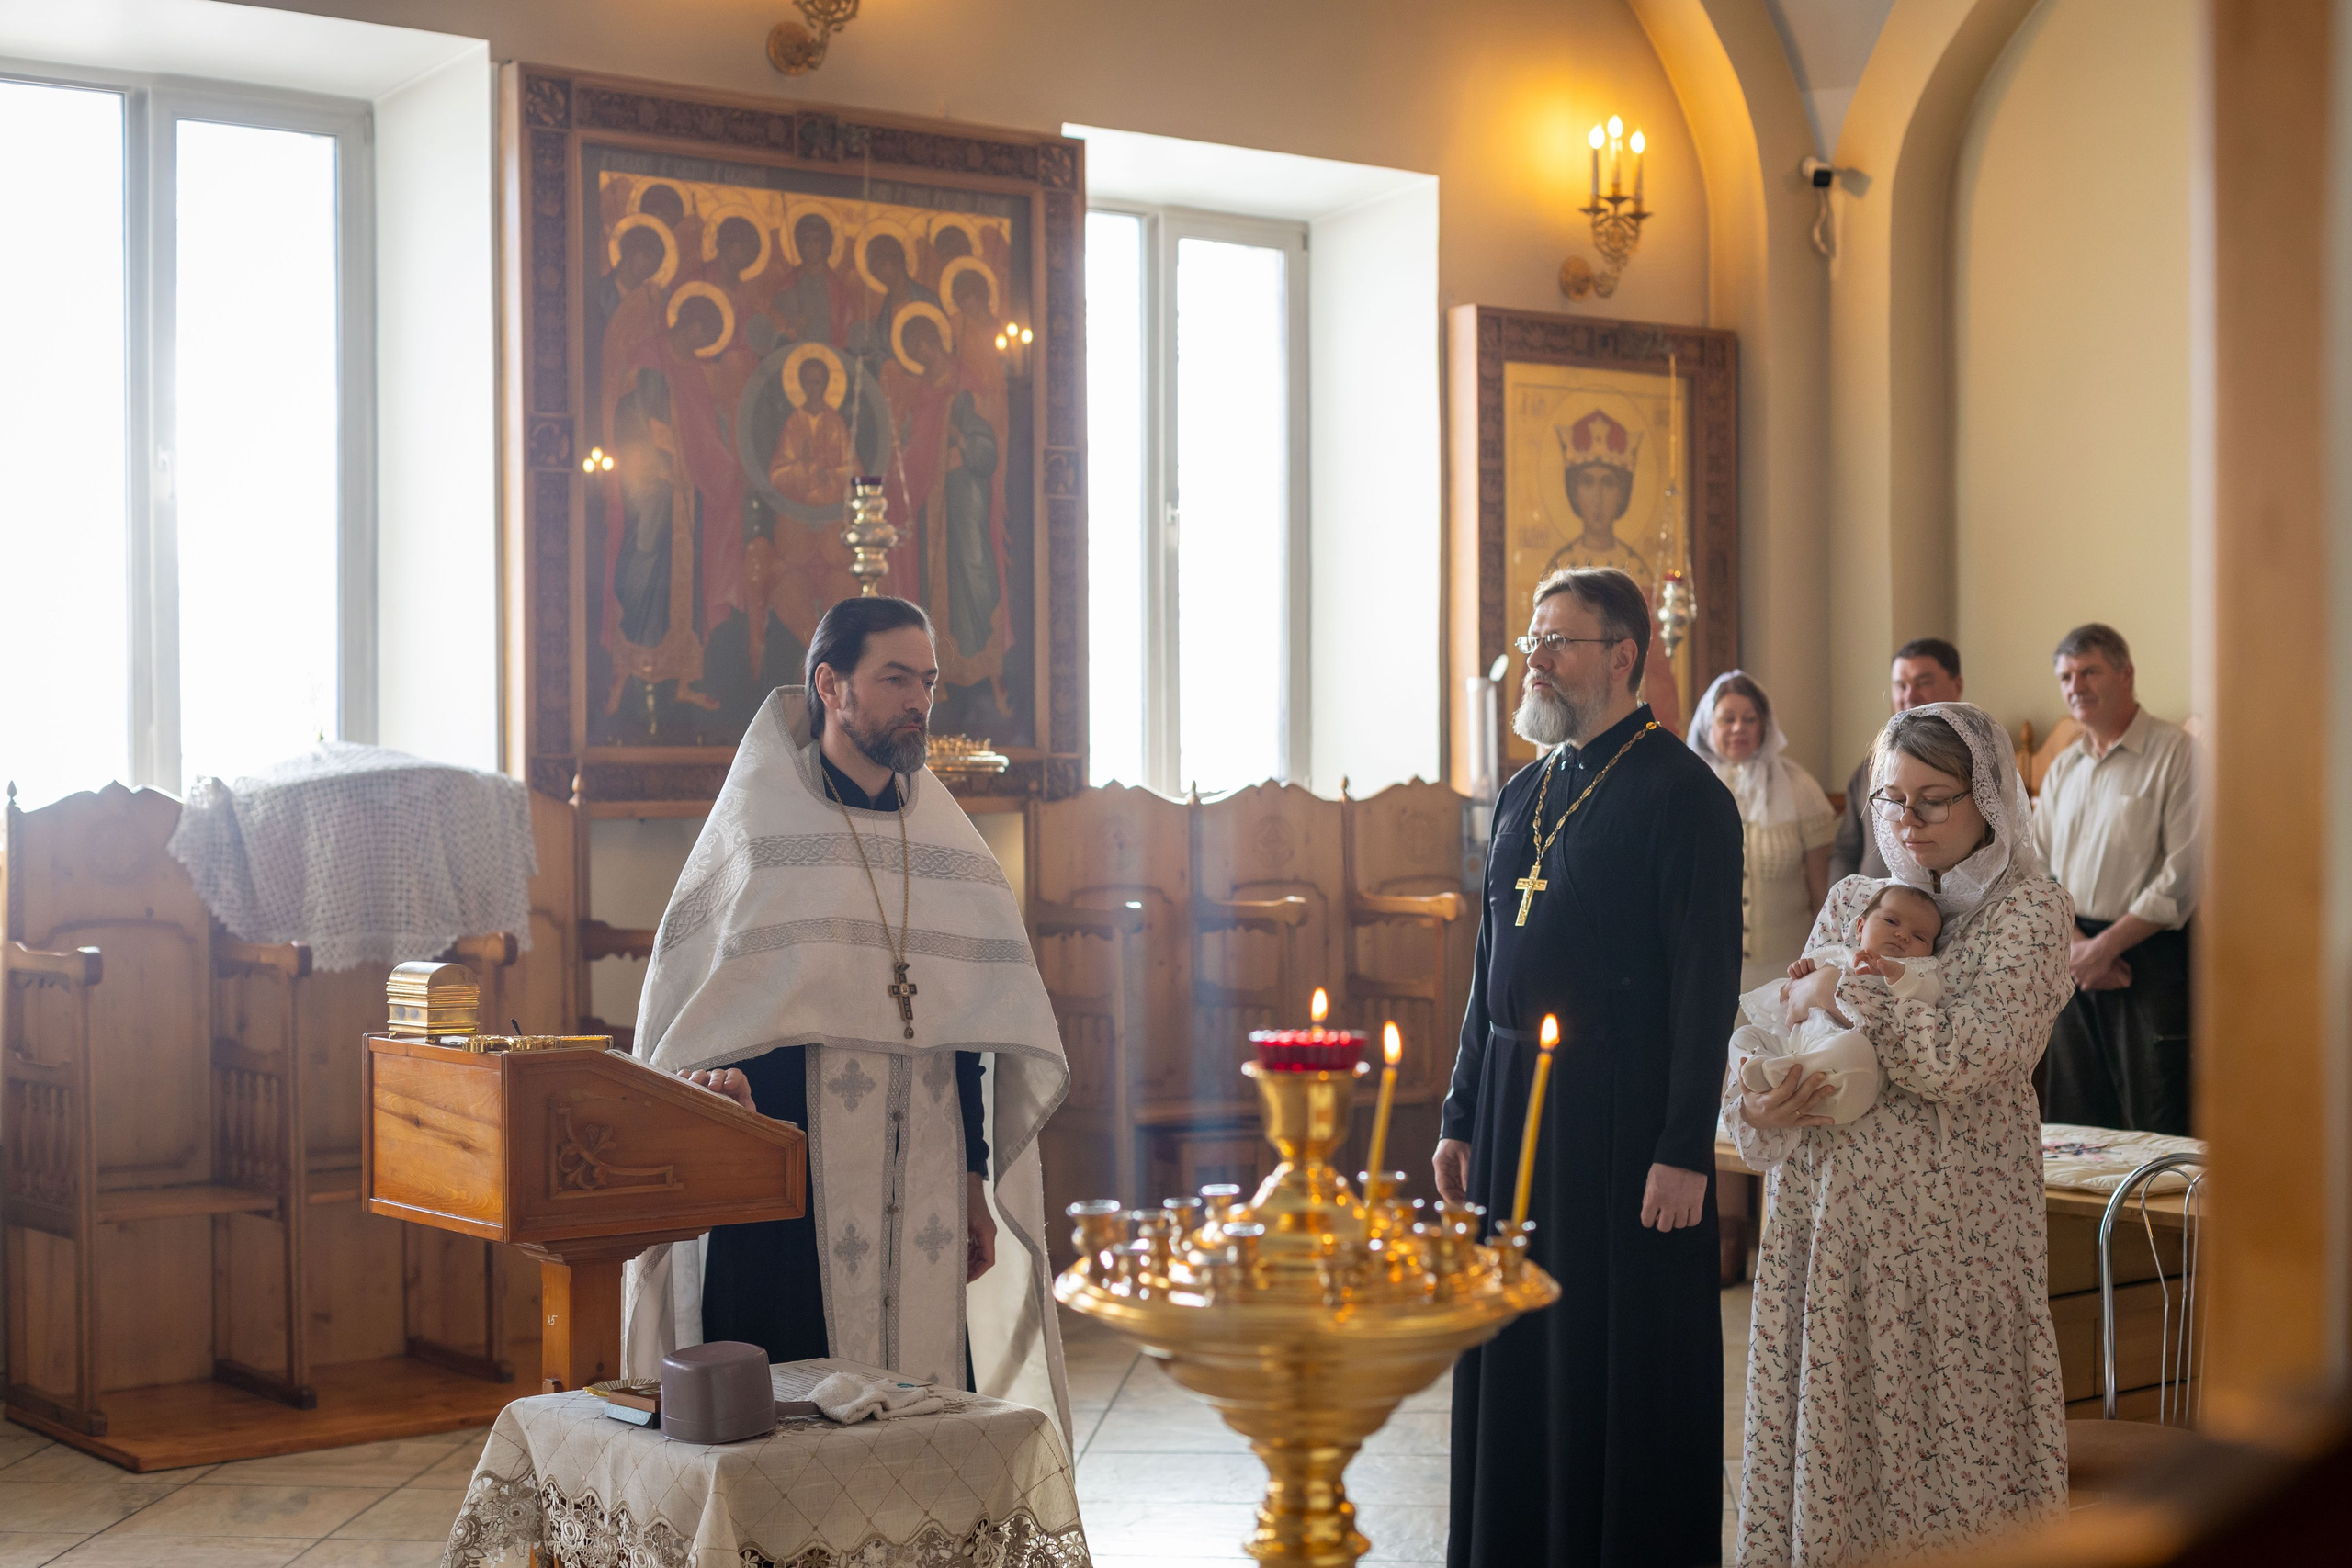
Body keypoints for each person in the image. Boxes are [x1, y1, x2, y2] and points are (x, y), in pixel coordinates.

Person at [620, 596, 1074, 1436]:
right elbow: (699, 1016)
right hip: (784, 1183)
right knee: (786, 1433)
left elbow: (964, 1025)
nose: (919, 701)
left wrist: (974, 1178)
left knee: (925, 1415)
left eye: (929, 682)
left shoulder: (946, 843)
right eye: (895, 677)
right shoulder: (761, 831)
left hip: (926, 1176)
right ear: (831, 685)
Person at [1435, 567, 1742, 1568]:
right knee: (1516, 1352)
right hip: (1516, 1111)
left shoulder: (1683, 794)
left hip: (1620, 1121)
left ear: (1622, 656)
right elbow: (1490, 972)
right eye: (1530, 638)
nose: (1534, 657)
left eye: (1555, 641)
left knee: (1615, 1367)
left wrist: (1684, 1145)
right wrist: (1460, 1113)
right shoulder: (1526, 786)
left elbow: (1706, 987)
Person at [1724, 704, 2071, 1566]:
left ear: (1987, 797)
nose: (1905, 823)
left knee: (1949, 1472)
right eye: (1890, 800)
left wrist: (1849, 992)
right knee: (1839, 1463)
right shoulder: (1854, 898)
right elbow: (1786, 1032)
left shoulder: (2028, 911)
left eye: (1932, 800)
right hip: (1830, 1235)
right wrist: (1754, 1106)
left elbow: (1965, 1058)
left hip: (1952, 1247)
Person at [2031, 624, 2202, 1134]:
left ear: (2126, 674)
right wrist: (2079, 948)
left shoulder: (2179, 754)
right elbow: (2036, 869)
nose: (2075, 686)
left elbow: (2184, 873)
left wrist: (2105, 948)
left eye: (2089, 671)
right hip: (2072, 955)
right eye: (2065, 676)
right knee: (2076, 1117)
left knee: (2155, 1117)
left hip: (2148, 956)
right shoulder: (2063, 769)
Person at [1729, 881, 1944, 1126]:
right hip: (1795, 1041)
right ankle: (1763, 1067)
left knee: (1855, 1050)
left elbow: (1928, 994)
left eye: (1919, 936)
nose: (1903, 935)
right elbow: (1789, 1002)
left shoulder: (1918, 970)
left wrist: (1895, 973)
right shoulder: (1835, 954)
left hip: (1837, 1059)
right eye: (1891, 922)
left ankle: (1786, 1074)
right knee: (1743, 1036)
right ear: (1861, 927)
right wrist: (1798, 979)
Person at [1689, 671, 1837, 988]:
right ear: (1708, 726)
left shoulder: (1801, 790)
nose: (1738, 727)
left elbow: (1821, 893)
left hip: (1789, 967)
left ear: (1765, 726)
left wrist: (1823, 962)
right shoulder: (1688, 790)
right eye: (1727, 719)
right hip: (1709, 965)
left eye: (1749, 719)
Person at [1828, 639, 1964, 883]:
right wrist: (1845, 905)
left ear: (1957, 685)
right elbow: (1846, 850)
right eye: (1901, 685)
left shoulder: (1975, 761)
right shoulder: (1871, 766)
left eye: (1923, 682)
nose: (1910, 695)